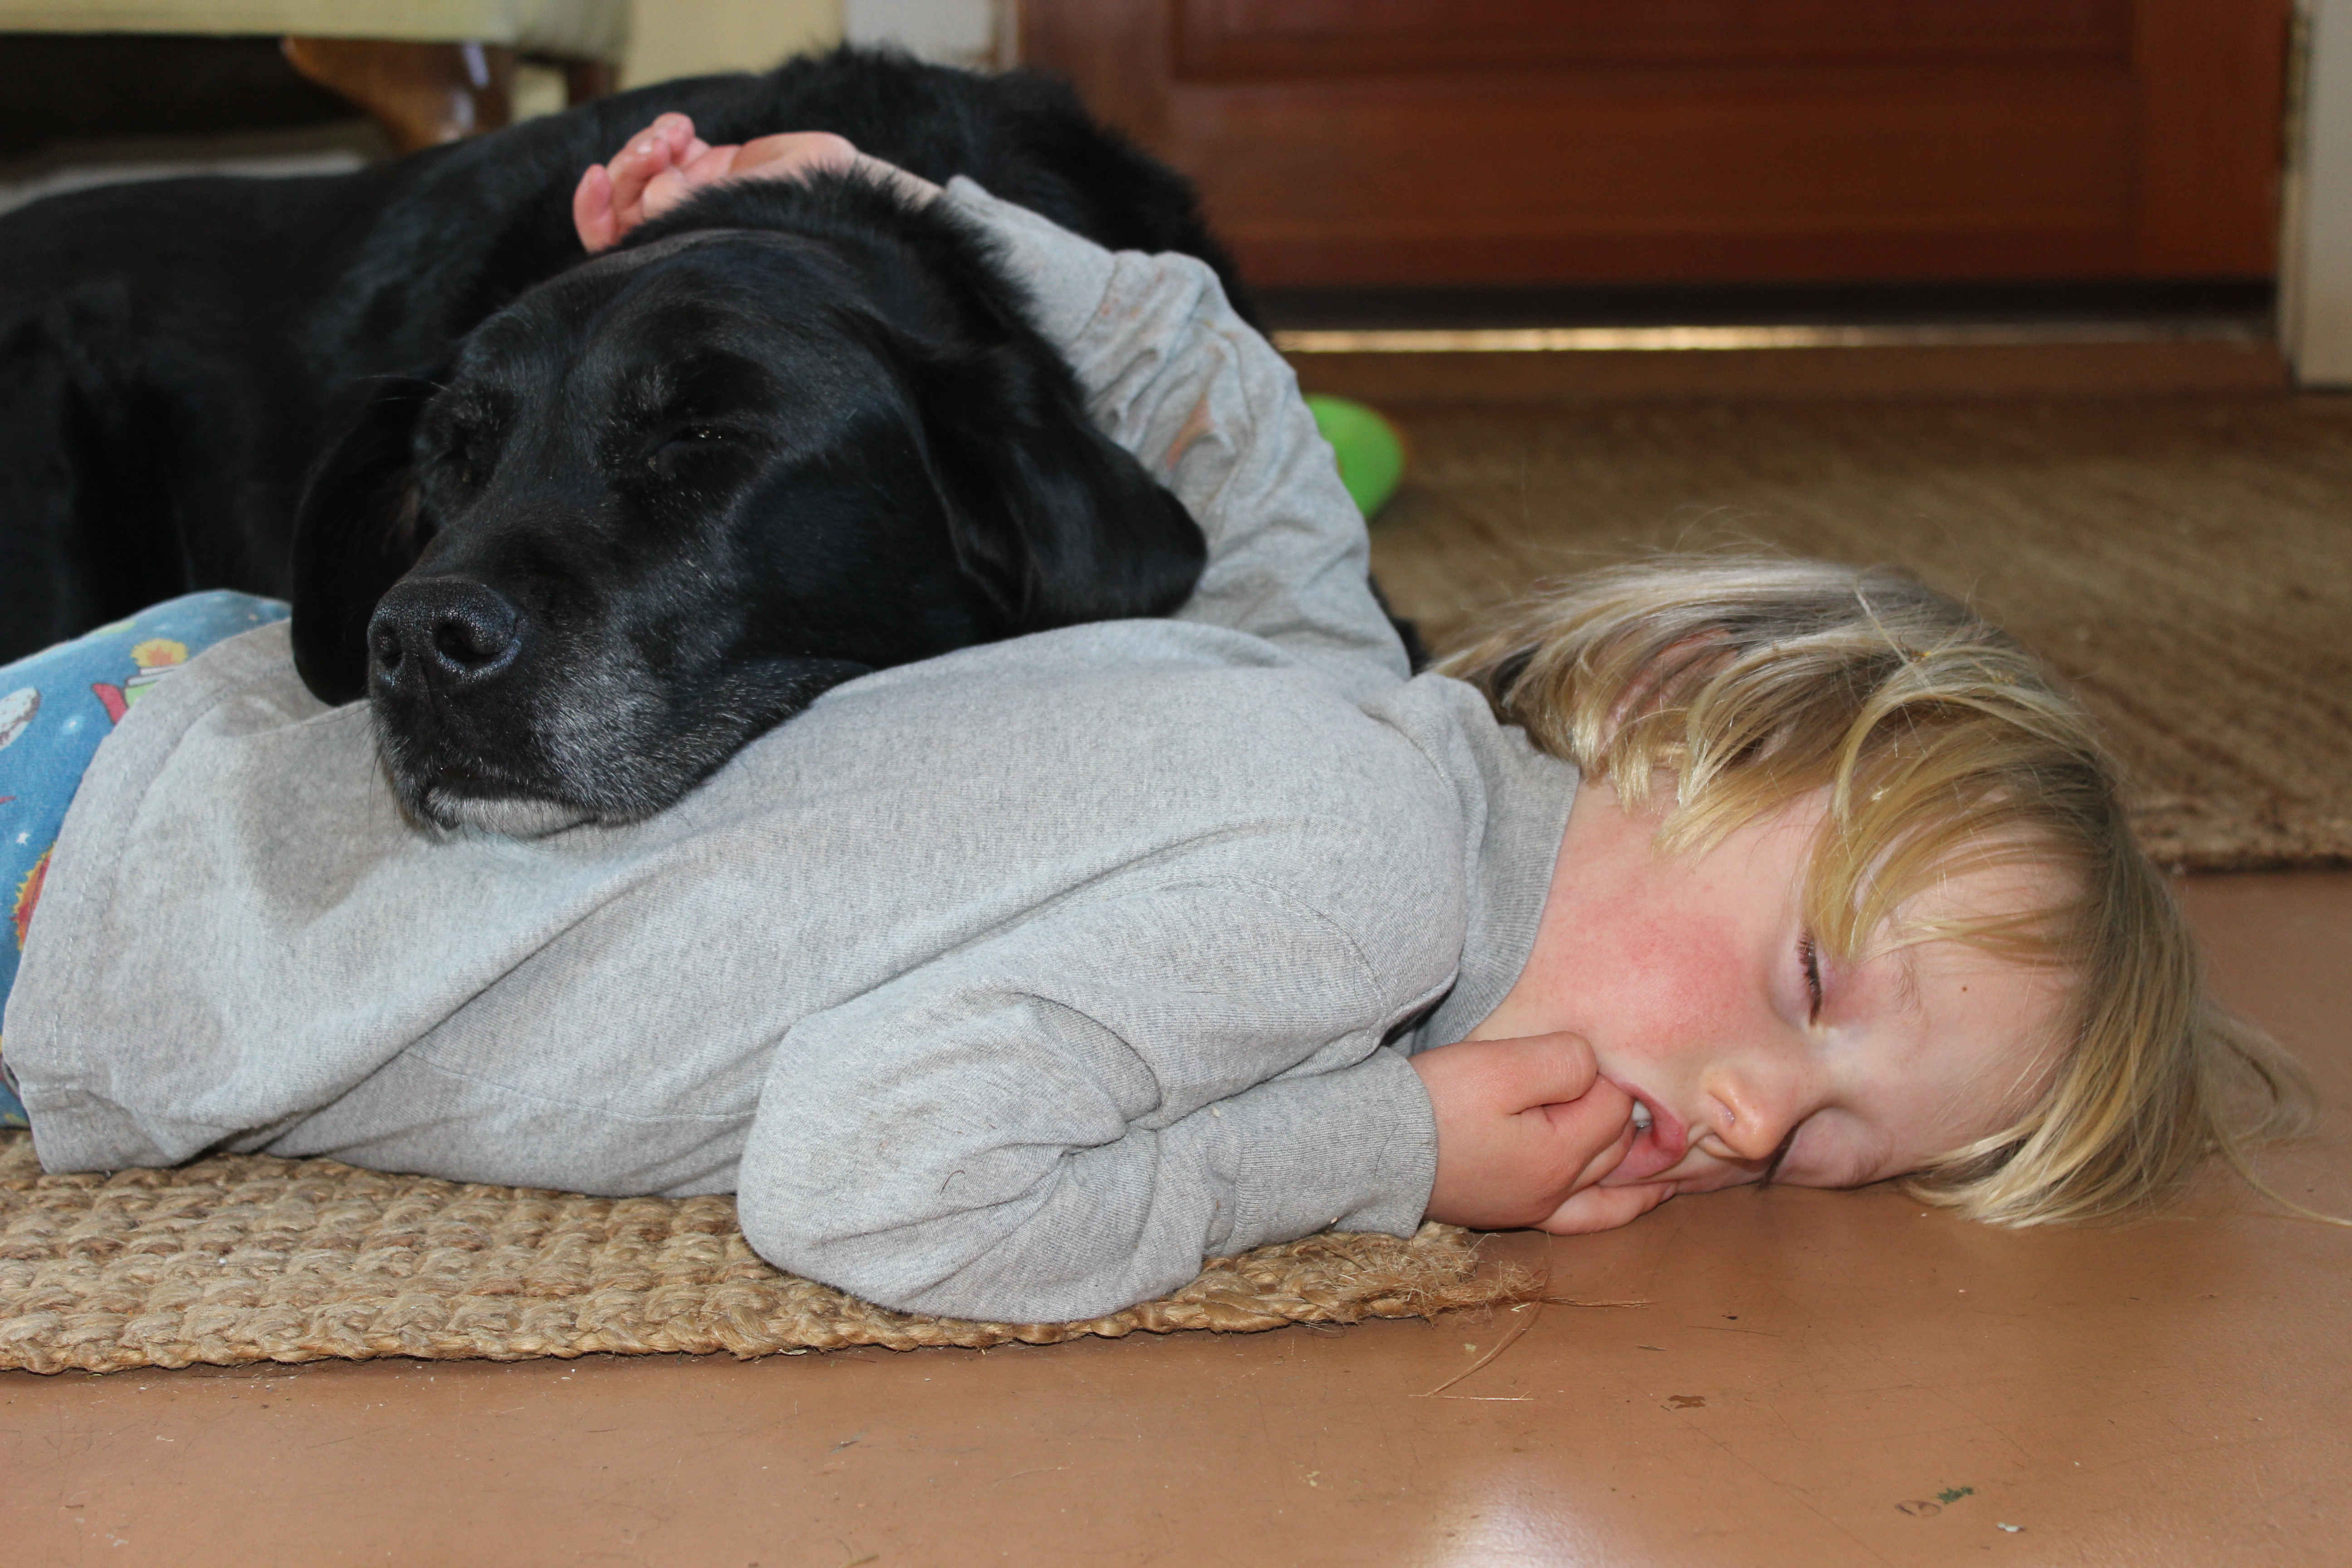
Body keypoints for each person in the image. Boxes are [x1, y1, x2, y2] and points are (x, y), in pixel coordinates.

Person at [0, 122, 2317, 1321]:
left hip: (159, 719)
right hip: (100, 915)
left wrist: (883, 193)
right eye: (1813, 992)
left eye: (1830, 1148)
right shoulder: (1368, 874)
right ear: (1665, 705)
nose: (1733, 1115)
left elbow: (1218, 409)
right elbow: (867, 1187)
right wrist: (1376, 1157)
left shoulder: (1356, 712)